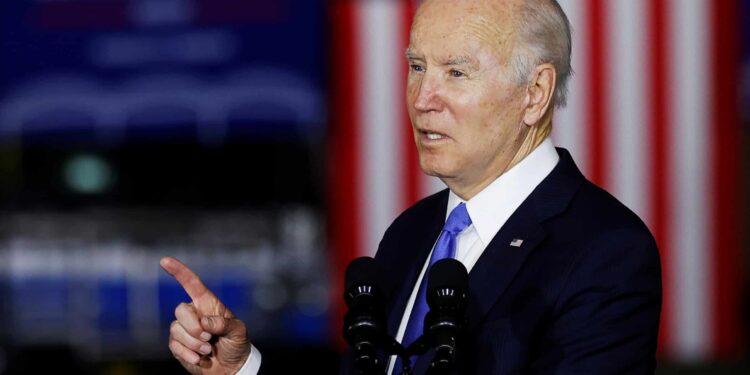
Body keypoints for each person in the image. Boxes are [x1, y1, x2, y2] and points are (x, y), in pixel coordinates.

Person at [161, 0, 662, 374]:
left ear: (534, 94)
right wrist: (242, 368)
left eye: (456, 72)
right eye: (417, 66)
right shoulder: (411, 232)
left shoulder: (605, 249)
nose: (423, 98)